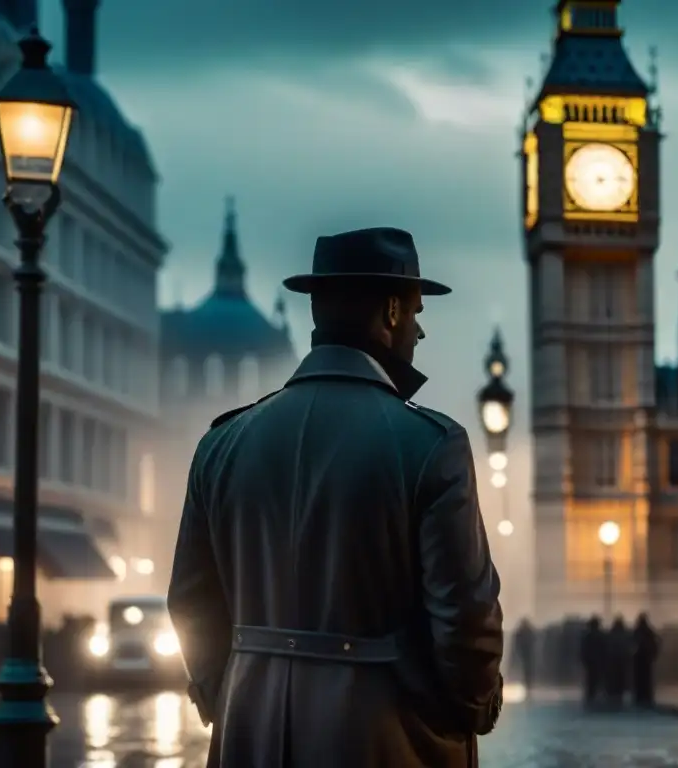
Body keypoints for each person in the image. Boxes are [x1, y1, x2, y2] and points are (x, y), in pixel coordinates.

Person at [168, 227, 505, 768]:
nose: (419, 332)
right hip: (386, 735)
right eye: (417, 312)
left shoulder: (222, 443)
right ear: (392, 312)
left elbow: (190, 600)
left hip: (249, 732)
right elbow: (465, 617)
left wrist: (231, 694)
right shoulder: (430, 446)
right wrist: (468, 709)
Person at [631, 613, 660, 707]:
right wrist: (654, 655)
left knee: (639, 679)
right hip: (647, 659)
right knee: (646, 679)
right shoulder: (649, 631)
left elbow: (632, 644)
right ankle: (647, 697)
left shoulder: (637, 631)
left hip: (639, 659)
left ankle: (639, 697)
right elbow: (656, 643)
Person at [604, 616, 631, 707]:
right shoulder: (625, 635)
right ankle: (619, 697)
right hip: (622, 662)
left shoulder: (611, 634)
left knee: (613, 681)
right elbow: (628, 649)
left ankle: (612, 698)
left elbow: (607, 648)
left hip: (612, 662)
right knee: (620, 681)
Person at [579, 616, 605, 707]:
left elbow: (583, 650)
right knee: (596, 681)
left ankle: (590, 697)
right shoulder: (600, 635)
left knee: (590, 681)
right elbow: (604, 650)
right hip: (597, 662)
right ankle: (595, 697)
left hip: (590, 662)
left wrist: (583, 659)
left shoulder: (588, 636)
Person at [511, 618, 536, 697]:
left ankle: (527, 684)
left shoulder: (522, 632)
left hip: (525, 653)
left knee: (527, 669)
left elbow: (517, 642)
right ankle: (527, 684)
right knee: (527, 669)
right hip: (526, 653)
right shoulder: (528, 631)